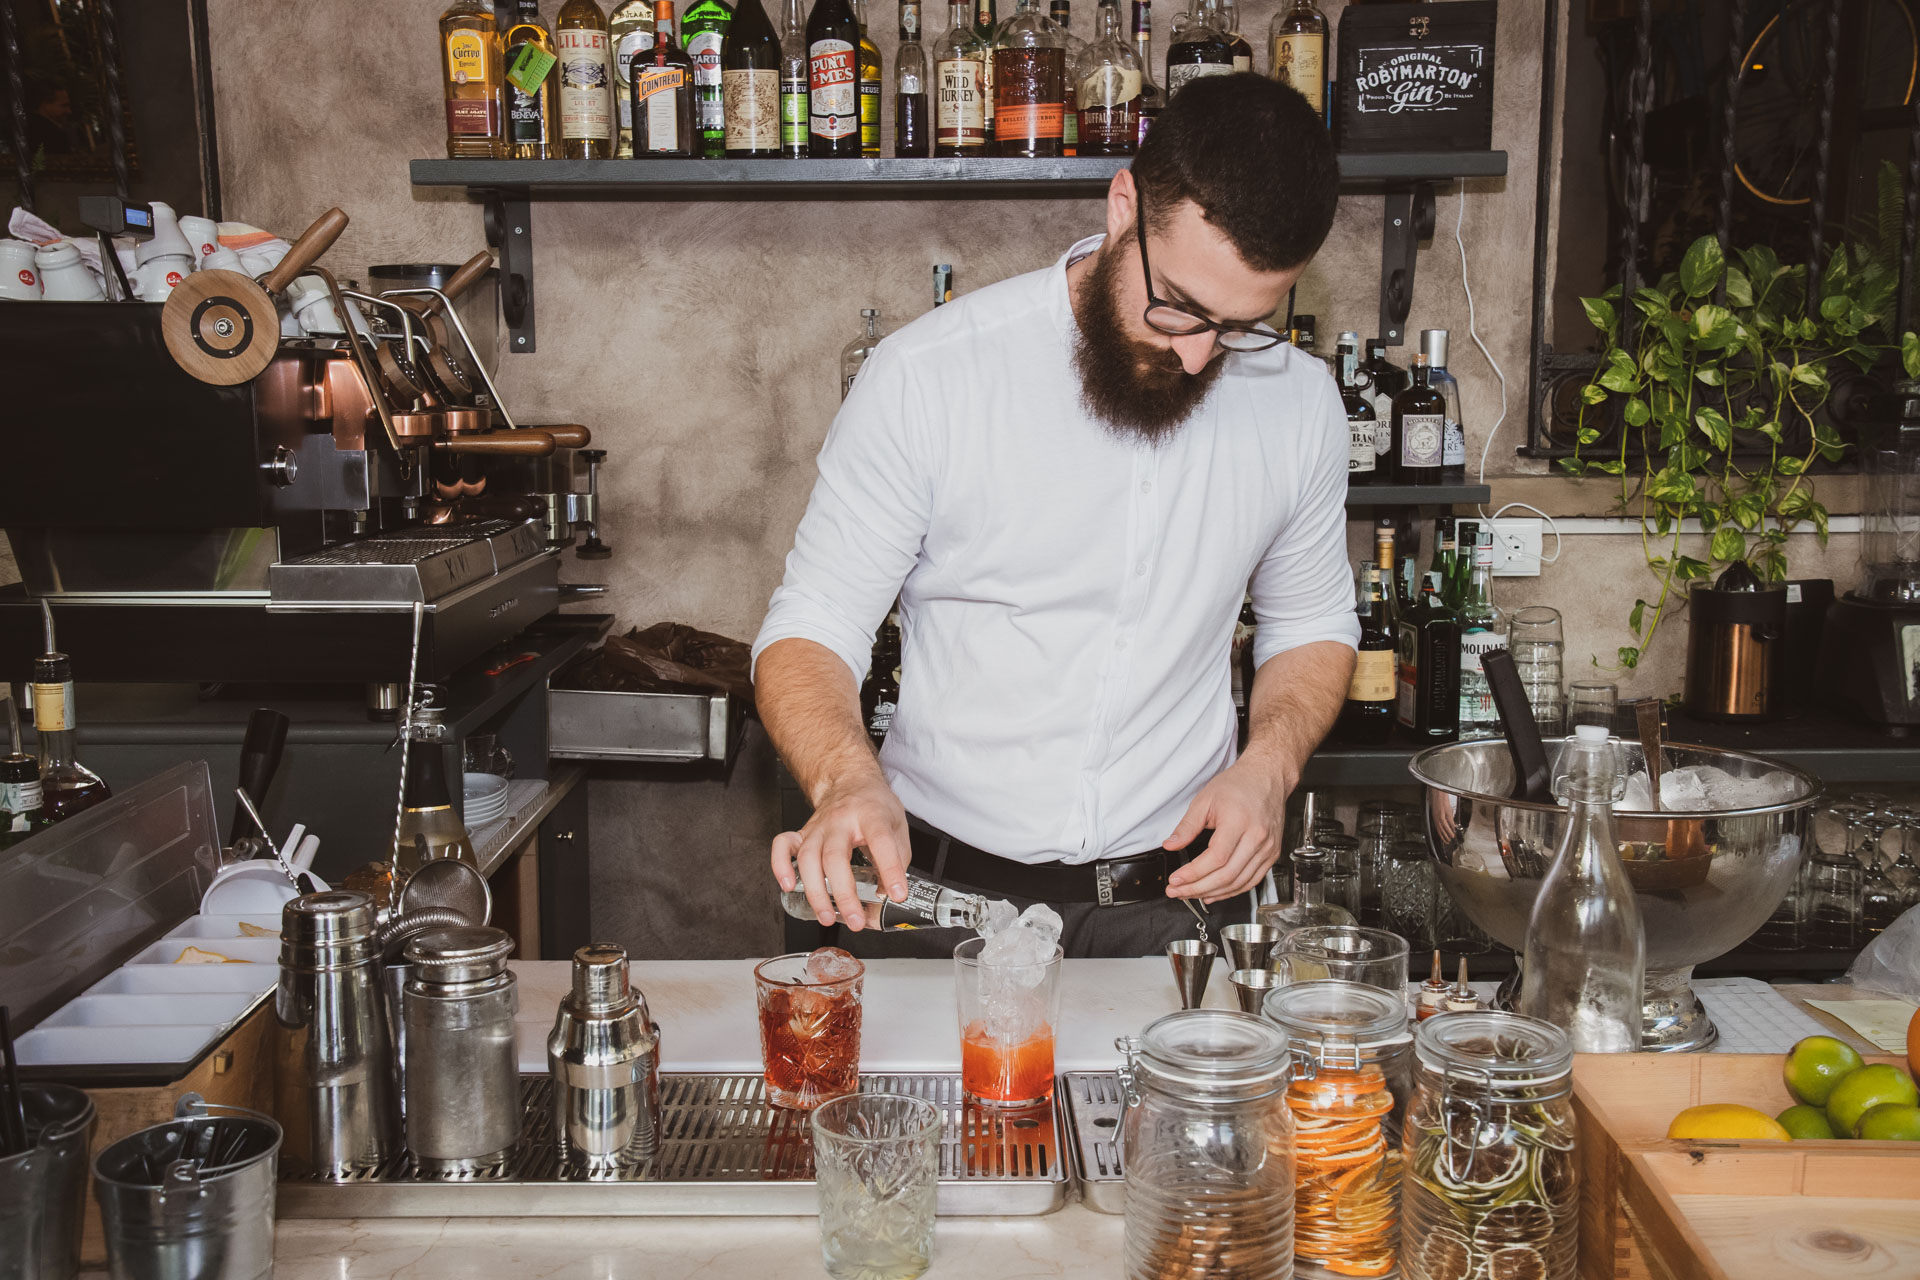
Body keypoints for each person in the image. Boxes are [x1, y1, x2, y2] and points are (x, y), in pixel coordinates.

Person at [752, 74, 1356, 958]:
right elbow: (811, 627)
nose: (1197, 357)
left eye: (1239, 326)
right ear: (1123, 207)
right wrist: (846, 779)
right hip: (939, 904)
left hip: (1176, 909)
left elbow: (1310, 624)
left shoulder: (1301, 405)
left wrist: (1270, 768)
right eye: (1179, 307)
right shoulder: (931, 377)